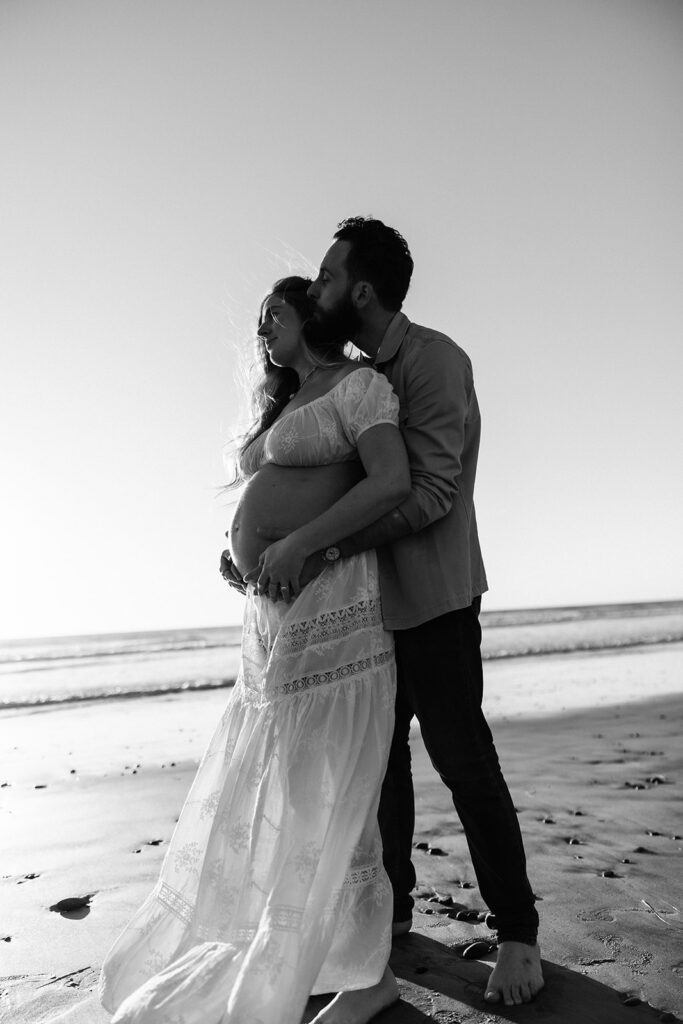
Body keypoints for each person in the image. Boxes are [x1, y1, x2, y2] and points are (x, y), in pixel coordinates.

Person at [245, 220, 545, 1008]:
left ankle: (516, 933)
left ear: (362, 291)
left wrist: (318, 548)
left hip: (435, 600)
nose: (315, 291)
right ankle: (395, 917)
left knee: (462, 761)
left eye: (327, 277)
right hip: (361, 611)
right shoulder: (351, 373)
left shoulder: (434, 361)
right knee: (379, 772)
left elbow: (431, 491)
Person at [99, 276, 411, 1024]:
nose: (261, 330)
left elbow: (391, 482)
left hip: (332, 605)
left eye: (273, 316)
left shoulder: (357, 386)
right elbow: (280, 494)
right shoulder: (290, 403)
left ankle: (368, 973)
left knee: (331, 785)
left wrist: (299, 540)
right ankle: (321, 953)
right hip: (270, 618)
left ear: (309, 316)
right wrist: (242, 555)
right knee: (294, 786)